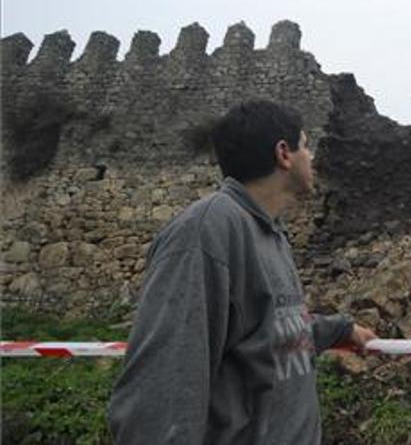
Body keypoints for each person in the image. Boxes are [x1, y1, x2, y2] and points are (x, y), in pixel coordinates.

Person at [108, 99, 376, 444]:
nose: (311, 157)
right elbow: (159, 396)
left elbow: (272, 332)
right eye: (305, 146)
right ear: (284, 153)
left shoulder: (269, 234)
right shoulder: (207, 232)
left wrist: (341, 328)